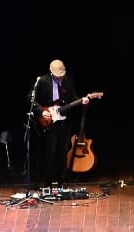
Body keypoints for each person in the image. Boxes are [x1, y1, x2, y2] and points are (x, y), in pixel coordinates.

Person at [31, 59, 93, 189]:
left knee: (63, 151)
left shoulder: (68, 80)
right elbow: (31, 100)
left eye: (62, 75)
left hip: (64, 121)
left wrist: (83, 101)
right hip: (49, 120)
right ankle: (47, 181)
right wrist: (42, 112)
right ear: (51, 73)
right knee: (51, 151)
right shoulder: (42, 81)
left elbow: (73, 99)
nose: (60, 78)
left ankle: (61, 181)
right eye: (58, 76)